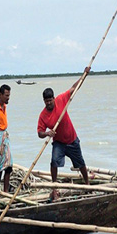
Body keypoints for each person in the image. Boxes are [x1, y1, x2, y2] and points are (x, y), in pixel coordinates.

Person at [37, 68, 91, 201]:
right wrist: (47, 133)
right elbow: (39, 133)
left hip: (71, 139)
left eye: (50, 100)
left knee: (81, 163)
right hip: (59, 143)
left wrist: (84, 75)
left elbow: (74, 88)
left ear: (54, 98)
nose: (49, 103)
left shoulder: (61, 99)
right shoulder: (43, 115)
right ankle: (54, 188)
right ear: (44, 101)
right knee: (54, 162)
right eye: (46, 101)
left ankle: (87, 184)